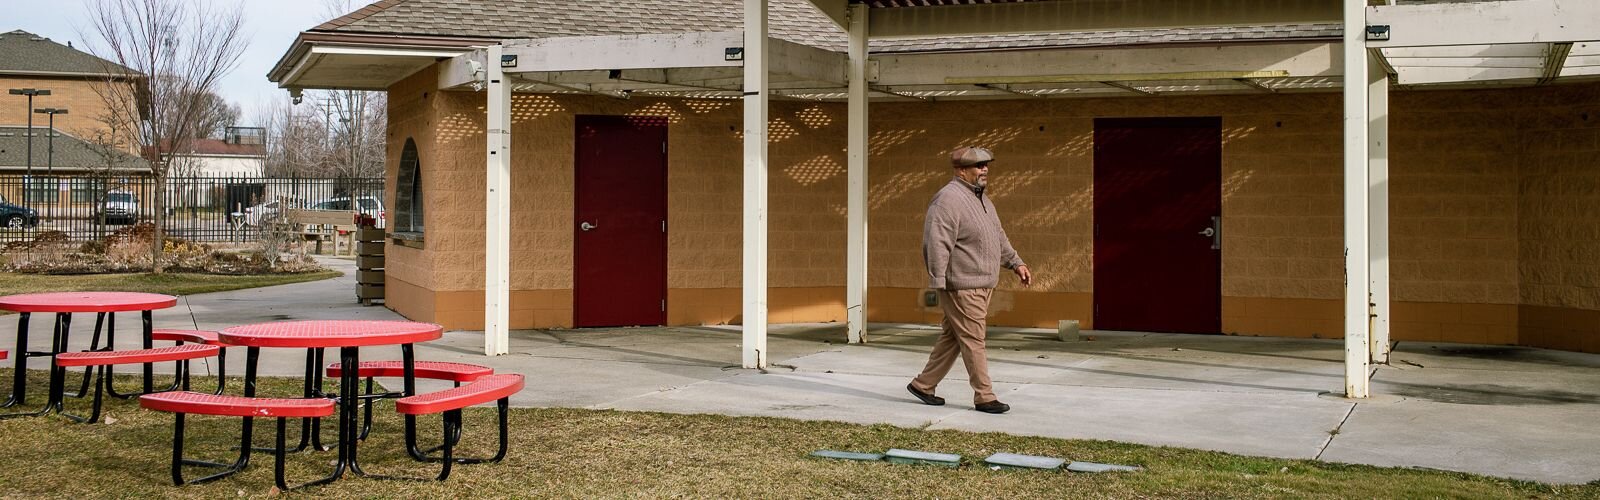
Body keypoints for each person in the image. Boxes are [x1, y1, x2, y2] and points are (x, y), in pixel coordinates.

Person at [907, 146, 1031, 414]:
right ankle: (984, 396)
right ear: (961, 170)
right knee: (974, 339)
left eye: (986, 165)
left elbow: (998, 237)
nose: (984, 169)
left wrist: (1016, 263)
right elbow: (935, 243)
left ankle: (923, 385)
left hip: (982, 284)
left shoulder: (982, 199)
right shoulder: (948, 200)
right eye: (978, 166)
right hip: (962, 285)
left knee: (953, 337)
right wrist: (938, 280)